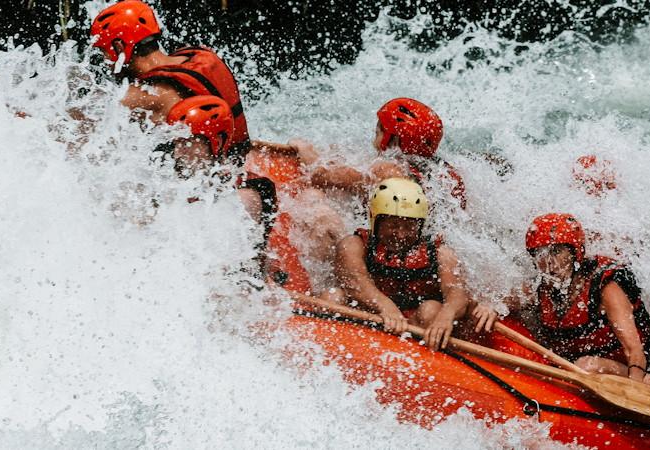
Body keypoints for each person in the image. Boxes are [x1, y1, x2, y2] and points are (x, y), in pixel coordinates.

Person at [89, 0, 316, 171]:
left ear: (119, 47)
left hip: (213, 187)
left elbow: (91, 118)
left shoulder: (152, 94)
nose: (107, 62)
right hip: (238, 166)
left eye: (103, 52)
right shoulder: (199, 57)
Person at [162, 95, 312, 294]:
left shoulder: (244, 197)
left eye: (188, 142)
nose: (179, 153)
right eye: (177, 143)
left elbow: (223, 266)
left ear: (216, 142)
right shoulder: (176, 182)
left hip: (233, 291)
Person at [334, 178, 495, 349]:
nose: (401, 235)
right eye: (394, 225)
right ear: (376, 220)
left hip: (417, 326)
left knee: (432, 309)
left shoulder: (441, 253)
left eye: (409, 226)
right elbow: (353, 281)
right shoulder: (354, 245)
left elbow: (457, 292)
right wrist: (385, 306)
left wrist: (447, 315)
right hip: (370, 319)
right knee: (333, 296)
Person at [514, 213, 650, 388]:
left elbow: (634, 350)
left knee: (586, 365)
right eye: (541, 254)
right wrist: (491, 309)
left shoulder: (606, 287)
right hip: (582, 373)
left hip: (643, 376)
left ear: (574, 252)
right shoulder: (541, 288)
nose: (550, 263)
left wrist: (634, 391)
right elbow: (504, 301)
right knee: (580, 366)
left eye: (557, 252)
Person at [312, 98, 467, 209]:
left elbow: (318, 176)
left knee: (312, 196)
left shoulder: (387, 172)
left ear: (392, 140)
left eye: (377, 133)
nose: (374, 142)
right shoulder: (447, 173)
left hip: (395, 245)